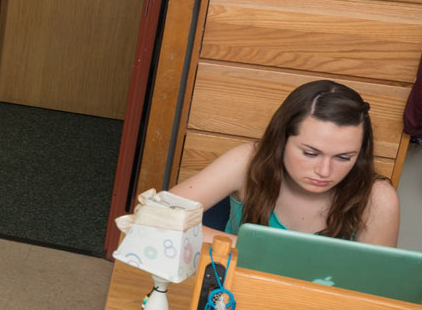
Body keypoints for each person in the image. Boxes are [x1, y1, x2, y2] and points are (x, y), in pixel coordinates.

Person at [168, 79, 400, 246]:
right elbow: (159, 215)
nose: (324, 171)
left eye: (343, 157)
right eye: (310, 153)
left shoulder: (377, 197)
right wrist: (256, 252)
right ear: (282, 140)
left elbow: (375, 290)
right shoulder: (248, 160)